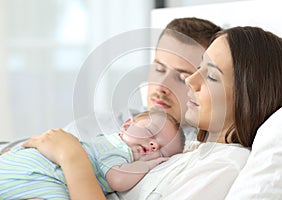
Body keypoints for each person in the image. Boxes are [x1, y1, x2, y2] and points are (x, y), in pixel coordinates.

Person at [23, 26, 282, 200]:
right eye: (199, 67)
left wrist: (72, 157)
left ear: (248, 99)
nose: (192, 81)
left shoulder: (224, 167)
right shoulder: (188, 150)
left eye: (211, 76)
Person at [0, 17, 221, 154]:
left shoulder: (191, 151)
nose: (161, 86)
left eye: (182, 78)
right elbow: (27, 145)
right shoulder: (112, 118)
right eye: (159, 69)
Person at [0, 109, 185, 199]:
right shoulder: (118, 149)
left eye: (162, 150)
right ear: (127, 125)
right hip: (44, 169)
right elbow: (118, 180)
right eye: (151, 133)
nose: (153, 145)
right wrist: (149, 164)